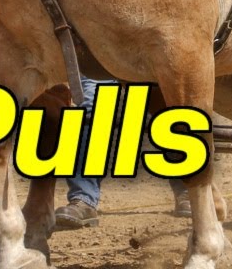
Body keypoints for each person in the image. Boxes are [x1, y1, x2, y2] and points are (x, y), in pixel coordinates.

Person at [53, 77, 192, 230]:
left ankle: (188, 191)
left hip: (149, 59)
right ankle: (84, 199)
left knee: (172, 105)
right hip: (101, 61)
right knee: (91, 106)